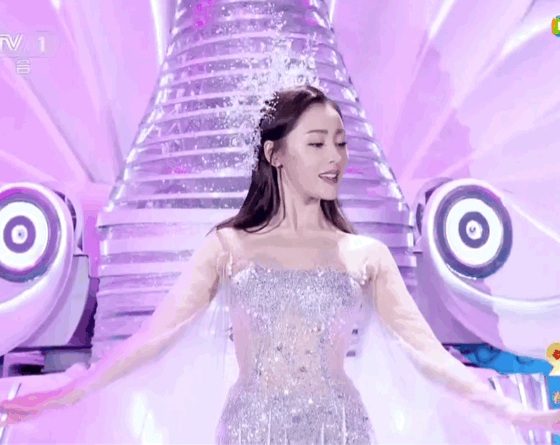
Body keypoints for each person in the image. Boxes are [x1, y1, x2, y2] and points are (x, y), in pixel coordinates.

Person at [1, 84, 559, 444]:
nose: (335, 157)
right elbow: (152, 339)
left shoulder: (365, 255)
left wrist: (515, 415)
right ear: (274, 153)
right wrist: (66, 394)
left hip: (338, 427)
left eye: (340, 143)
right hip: (252, 427)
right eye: (317, 144)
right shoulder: (228, 246)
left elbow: (429, 356)